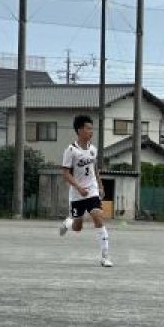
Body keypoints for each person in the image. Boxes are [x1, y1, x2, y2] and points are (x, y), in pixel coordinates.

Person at [60, 113, 113, 268]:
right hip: (77, 194)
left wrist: (100, 185)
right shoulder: (71, 150)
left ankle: (105, 257)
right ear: (79, 130)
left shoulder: (93, 150)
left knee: (98, 218)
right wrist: (78, 187)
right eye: (88, 128)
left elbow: (95, 169)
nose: (91, 131)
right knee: (78, 227)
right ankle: (68, 222)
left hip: (92, 190)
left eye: (92, 128)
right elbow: (65, 173)